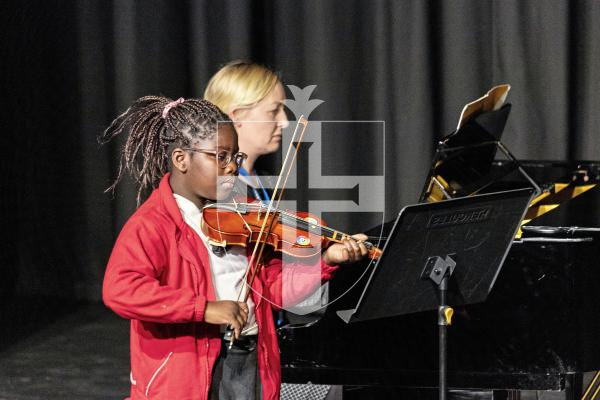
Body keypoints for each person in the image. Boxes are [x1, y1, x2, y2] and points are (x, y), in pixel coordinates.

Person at [100, 96, 368, 400]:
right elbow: (121, 290)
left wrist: (326, 259)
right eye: (220, 157)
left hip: (249, 359)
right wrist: (204, 309)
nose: (232, 169)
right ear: (180, 159)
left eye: (236, 158)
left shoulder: (246, 218)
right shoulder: (152, 224)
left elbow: (276, 294)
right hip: (186, 374)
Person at [203, 60, 288, 202]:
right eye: (274, 111)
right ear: (236, 115)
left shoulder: (265, 183)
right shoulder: (214, 186)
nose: (284, 122)